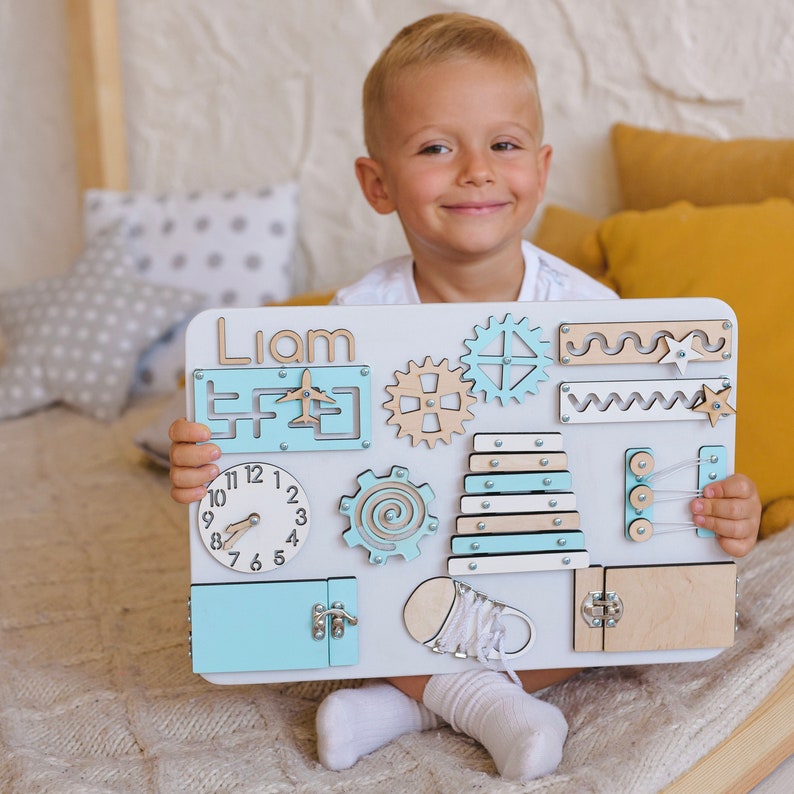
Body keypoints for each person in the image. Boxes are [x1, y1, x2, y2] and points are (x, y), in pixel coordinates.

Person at [169, 13, 762, 781]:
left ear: (540, 170)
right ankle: (487, 702)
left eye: (504, 145)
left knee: (603, 615)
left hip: (533, 566)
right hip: (404, 564)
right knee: (350, 600)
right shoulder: (351, 324)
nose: (477, 170)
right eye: (435, 147)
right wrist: (207, 470)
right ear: (378, 184)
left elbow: (660, 472)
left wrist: (725, 509)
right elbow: (298, 486)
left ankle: (413, 701)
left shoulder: (597, 316)